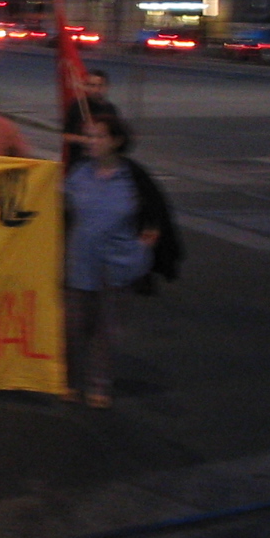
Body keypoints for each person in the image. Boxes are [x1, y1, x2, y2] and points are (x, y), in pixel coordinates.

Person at [63, 112, 182, 408]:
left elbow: (156, 215)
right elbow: (60, 210)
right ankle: (69, 381)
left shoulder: (133, 177)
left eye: (98, 136)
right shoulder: (78, 173)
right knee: (74, 327)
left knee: (106, 329)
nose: (91, 141)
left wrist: (142, 248)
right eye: (88, 136)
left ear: (115, 140)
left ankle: (99, 385)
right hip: (81, 263)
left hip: (116, 265)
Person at [62, 70, 118, 168]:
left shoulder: (111, 110)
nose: (96, 90)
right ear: (87, 87)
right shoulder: (77, 107)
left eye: (99, 86)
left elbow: (116, 137)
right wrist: (85, 140)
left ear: (106, 87)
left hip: (102, 164)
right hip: (79, 164)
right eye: (92, 85)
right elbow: (65, 136)